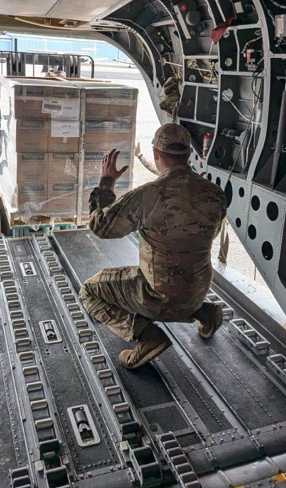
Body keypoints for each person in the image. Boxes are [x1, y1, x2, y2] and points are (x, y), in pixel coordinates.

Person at [79, 123, 227, 369]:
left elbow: (101, 227)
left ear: (156, 155)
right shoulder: (215, 193)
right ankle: (205, 313)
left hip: (159, 299)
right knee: (181, 276)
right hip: (199, 291)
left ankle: (147, 336)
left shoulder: (149, 195)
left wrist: (106, 182)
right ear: (188, 154)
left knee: (89, 290)